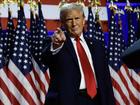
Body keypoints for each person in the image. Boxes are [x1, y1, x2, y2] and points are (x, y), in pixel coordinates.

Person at [42, 3, 115, 105]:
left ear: (84, 20)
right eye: (69, 19)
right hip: (68, 101)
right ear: (62, 23)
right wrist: (56, 45)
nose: (74, 23)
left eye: (77, 18)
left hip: (97, 100)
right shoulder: (55, 42)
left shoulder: (96, 45)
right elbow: (45, 58)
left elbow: (105, 79)